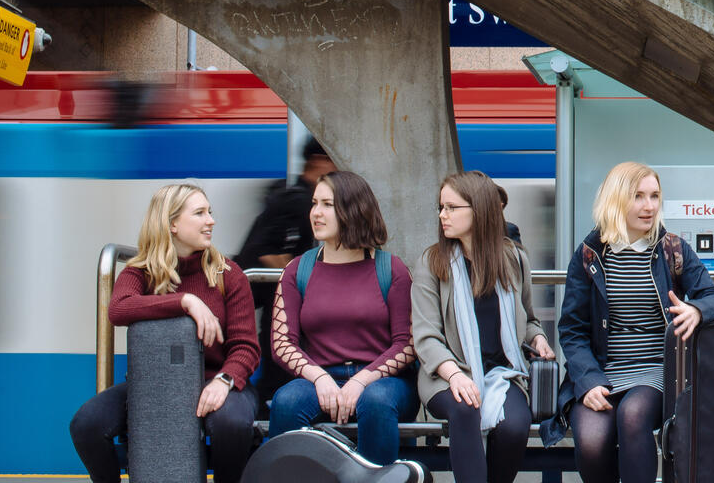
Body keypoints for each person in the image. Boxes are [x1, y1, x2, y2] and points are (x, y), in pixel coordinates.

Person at [70, 184, 259, 483]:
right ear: (172, 224)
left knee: (232, 424)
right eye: (199, 213)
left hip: (217, 380)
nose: (211, 220)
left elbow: (245, 347)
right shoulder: (140, 273)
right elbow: (118, 309)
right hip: (153, 385)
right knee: (87, 425)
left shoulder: (228, 274)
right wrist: (185, 301)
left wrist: (224, 382)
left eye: (210, 212)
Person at [555, 162, 714, 483]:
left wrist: (697, 310)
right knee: (592, 440)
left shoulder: (672, 249)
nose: (649, 206)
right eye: (637, 196)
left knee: (632, 417)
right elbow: (572, 330)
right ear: (616, 199)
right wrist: (589, 380)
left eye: (655, 196)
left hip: (657, 370)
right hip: (601, 370)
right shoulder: (589, 255)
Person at [264, 170, 416, 464]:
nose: (315, 213)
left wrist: (361, 381)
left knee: (376, 402)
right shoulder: (297, 270)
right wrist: (319, 377)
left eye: (327, 205)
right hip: (319, 376)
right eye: (314, 203)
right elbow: (282, 344)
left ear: (353, 209)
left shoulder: (392, 270)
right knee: (287, 401)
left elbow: (407, 344)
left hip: (383, 381)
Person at [414, 171, 555, 483]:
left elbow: (529, 318)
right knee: (465, 409)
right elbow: (426, 336)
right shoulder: (431, 262)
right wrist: (455, 375)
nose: (442, 215)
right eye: (441, 207)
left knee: (515, 427)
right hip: (445, 374)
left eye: (452, 208)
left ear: (479, 210)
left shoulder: (513, 259)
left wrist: (540, 338)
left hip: (503, 372)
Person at [237, 136, 334, 271]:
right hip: (264, 287)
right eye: (334, 162)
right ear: (319, 161)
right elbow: (269, 254)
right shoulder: (297, 201)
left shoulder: (290, 193)